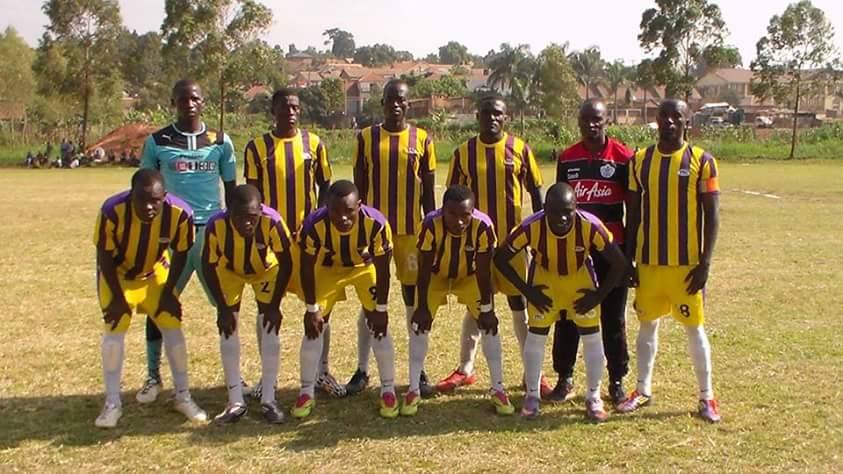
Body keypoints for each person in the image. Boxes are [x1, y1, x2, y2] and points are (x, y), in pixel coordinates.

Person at [618, 99, 722, 423]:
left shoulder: (703, 161)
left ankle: (707, 396)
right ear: (657, 120)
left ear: (686, 121)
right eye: (664, 116)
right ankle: (642, 389)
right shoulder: (639, 161)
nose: (669, 121)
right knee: (647, 325)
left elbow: (712, 215)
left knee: (694, 328)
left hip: (686, 266)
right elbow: (633, 214)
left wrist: (705, 264)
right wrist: (629, 259)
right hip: (649, 263)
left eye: (676, 116)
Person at [138, 79, 236, 404]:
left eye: (194, 98)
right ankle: (153, 376)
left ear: (203, 102)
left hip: (210, 233)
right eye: (183, 99)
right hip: (171, 233)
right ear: (173, 102)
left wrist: (231, 234)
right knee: (159, 304)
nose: (189, 104)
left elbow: (232, 192)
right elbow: (145, 189)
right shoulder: (158, 141)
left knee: (226, 305)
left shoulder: (220, 141)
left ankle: (235, 378)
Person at [444, 93, 549, 396]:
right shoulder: (463, 153)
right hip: (476, 246)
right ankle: (465, 369)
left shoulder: (520, 149)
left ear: (506, 117)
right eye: (486, 113)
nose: (492, 118)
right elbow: (451, 200)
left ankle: (534, 372)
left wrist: (539, 237)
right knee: (477, 305)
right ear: (477, 116)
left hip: (512, 245)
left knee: (520, 306)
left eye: (497, 113)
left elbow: (537, 194)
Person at [495, 183, 626, 421]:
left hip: (579, 283)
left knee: (592, 336)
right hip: (545, 282)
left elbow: (619, 263)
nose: (562, 218)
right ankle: (532, 396)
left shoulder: (590, 225)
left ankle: (593, 397)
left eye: (568, 211)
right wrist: (528, 291)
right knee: (537, 335)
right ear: (545, 209)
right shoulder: (531, 226)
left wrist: (598, 295)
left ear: (576, 207)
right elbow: (501, 257)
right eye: (555, 212)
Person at [243, 87, 340, 398]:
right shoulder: (257, 148)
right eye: (285, 107)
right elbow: (252, 196)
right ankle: (267, 377)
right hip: (271, 243)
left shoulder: (314, 144)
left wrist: (316, 223)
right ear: (273, 111)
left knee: (319, 307)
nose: (291, 112)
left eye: (296, 107)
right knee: (267, 307)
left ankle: (321, 372)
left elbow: (326, 186)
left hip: (307, 242)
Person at [93, 169, 207, 428]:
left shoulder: (180, 213)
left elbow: (181, 252)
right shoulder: (112, 210)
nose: (148, 206)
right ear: (130, 195)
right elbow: (104, 255)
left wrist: (169, 293)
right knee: (115, 327)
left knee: (172, 325)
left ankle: (183, 396)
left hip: (155, 272)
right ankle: (112, 403)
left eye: (154, 200)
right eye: (141, 199)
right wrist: (117, 298)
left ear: (164, 196)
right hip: (118, 274)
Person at [352, 79, 436, 396]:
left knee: (412, 300)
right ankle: (362, 370)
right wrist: (359, 231)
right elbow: (358, 190)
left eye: (401, 100)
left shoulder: (422, 139)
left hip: (410, 233)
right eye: (391, 99)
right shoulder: (366, 138)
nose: (396, 104)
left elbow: (429, 192)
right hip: (374, 234)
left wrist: (431, 230)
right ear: (383, 103)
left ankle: (418, 369)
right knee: (371, 300)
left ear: (408, 103)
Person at [401, 185, 515, 417]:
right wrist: (421, 307)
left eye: (465, 215)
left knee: (489, 326)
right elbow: (424, 268)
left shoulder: (483, 226)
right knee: (419, 326)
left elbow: (484, 271)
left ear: (473, 211)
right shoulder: (430, 224)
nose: (459, 221)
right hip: (436, 276)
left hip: (469, 277)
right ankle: (413, 389)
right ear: (443, 210)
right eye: (452, 214)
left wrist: (487, 308)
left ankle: (498, 388)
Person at [293, 180, 398, 419]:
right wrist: (311, 307)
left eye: (349, 211)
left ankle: (388, 389)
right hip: (329, 269)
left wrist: (381, 308)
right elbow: (306, 267)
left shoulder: (376, 223)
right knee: (315, 325)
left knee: (378, 324)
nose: (342, 217)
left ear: (359, 206)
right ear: (326, 206)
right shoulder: (313, 224)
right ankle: (306, 391)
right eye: (335, 211)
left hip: (363, 268)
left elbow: (384, 270)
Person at [551, 99, 632, 405]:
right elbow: (558, 206)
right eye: (586, 120)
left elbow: (633, 209)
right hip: (576, 249)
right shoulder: (568, 158)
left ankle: (616, 379)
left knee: (613, 317)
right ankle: (565, 377)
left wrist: (629, 256)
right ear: (579, 122)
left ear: (606, 120)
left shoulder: (623, 157)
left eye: (597, 119)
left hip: (612, 249)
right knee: (567, 313)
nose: (591, 125)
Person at [201, 185, 293, 424]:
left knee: (269, 324)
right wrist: (222, 307)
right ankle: (235, 401)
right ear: (228, 211)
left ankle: (269, 398)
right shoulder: (216, 225)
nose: (246, 223)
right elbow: (208, 265)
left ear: (260, 210)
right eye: (239, 217)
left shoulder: (272, 222)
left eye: (252, 217)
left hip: (265, 271)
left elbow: (287, 261)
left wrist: (275, 305)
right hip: (230, 272)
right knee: (228, 326)